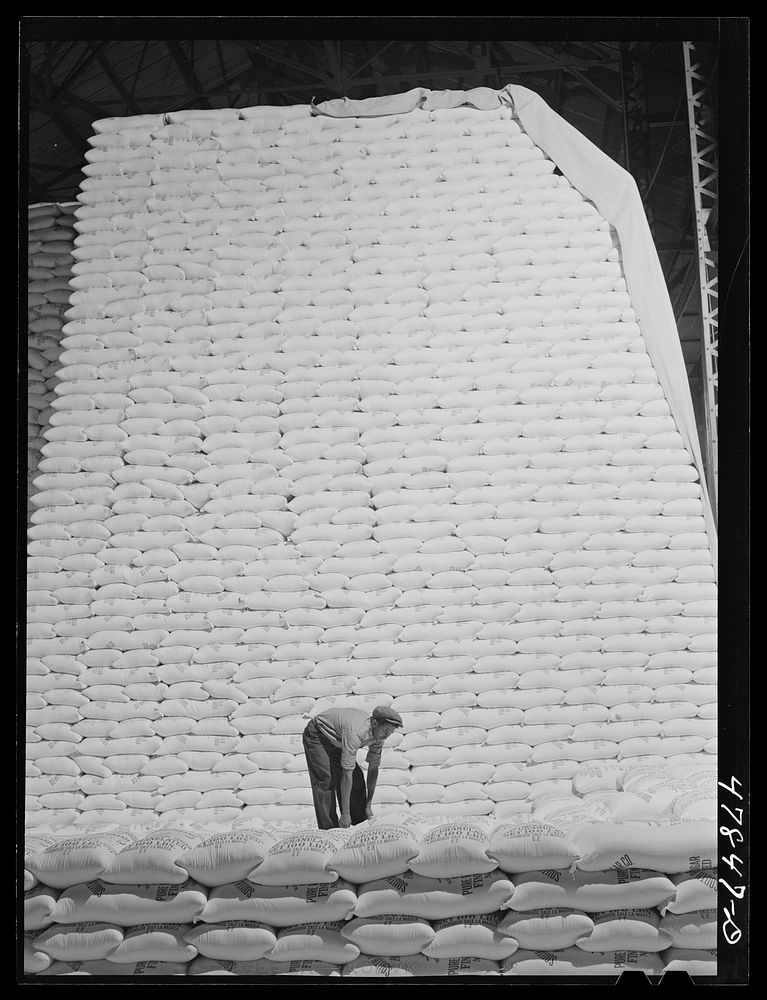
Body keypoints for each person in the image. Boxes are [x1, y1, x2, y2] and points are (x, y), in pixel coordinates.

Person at [302, 704, 403, 829]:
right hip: (318, 735)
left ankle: (359, 824)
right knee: (325, 780)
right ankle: (329, 830)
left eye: (390, 732)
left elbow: (373, 769)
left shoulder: (379, 737)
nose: (387, 735)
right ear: (375, 723)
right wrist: (345, 814)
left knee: (356, 778)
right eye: (386, 731)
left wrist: (368, 805)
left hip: (338, 739)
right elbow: (346, 773)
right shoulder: (355, 731)